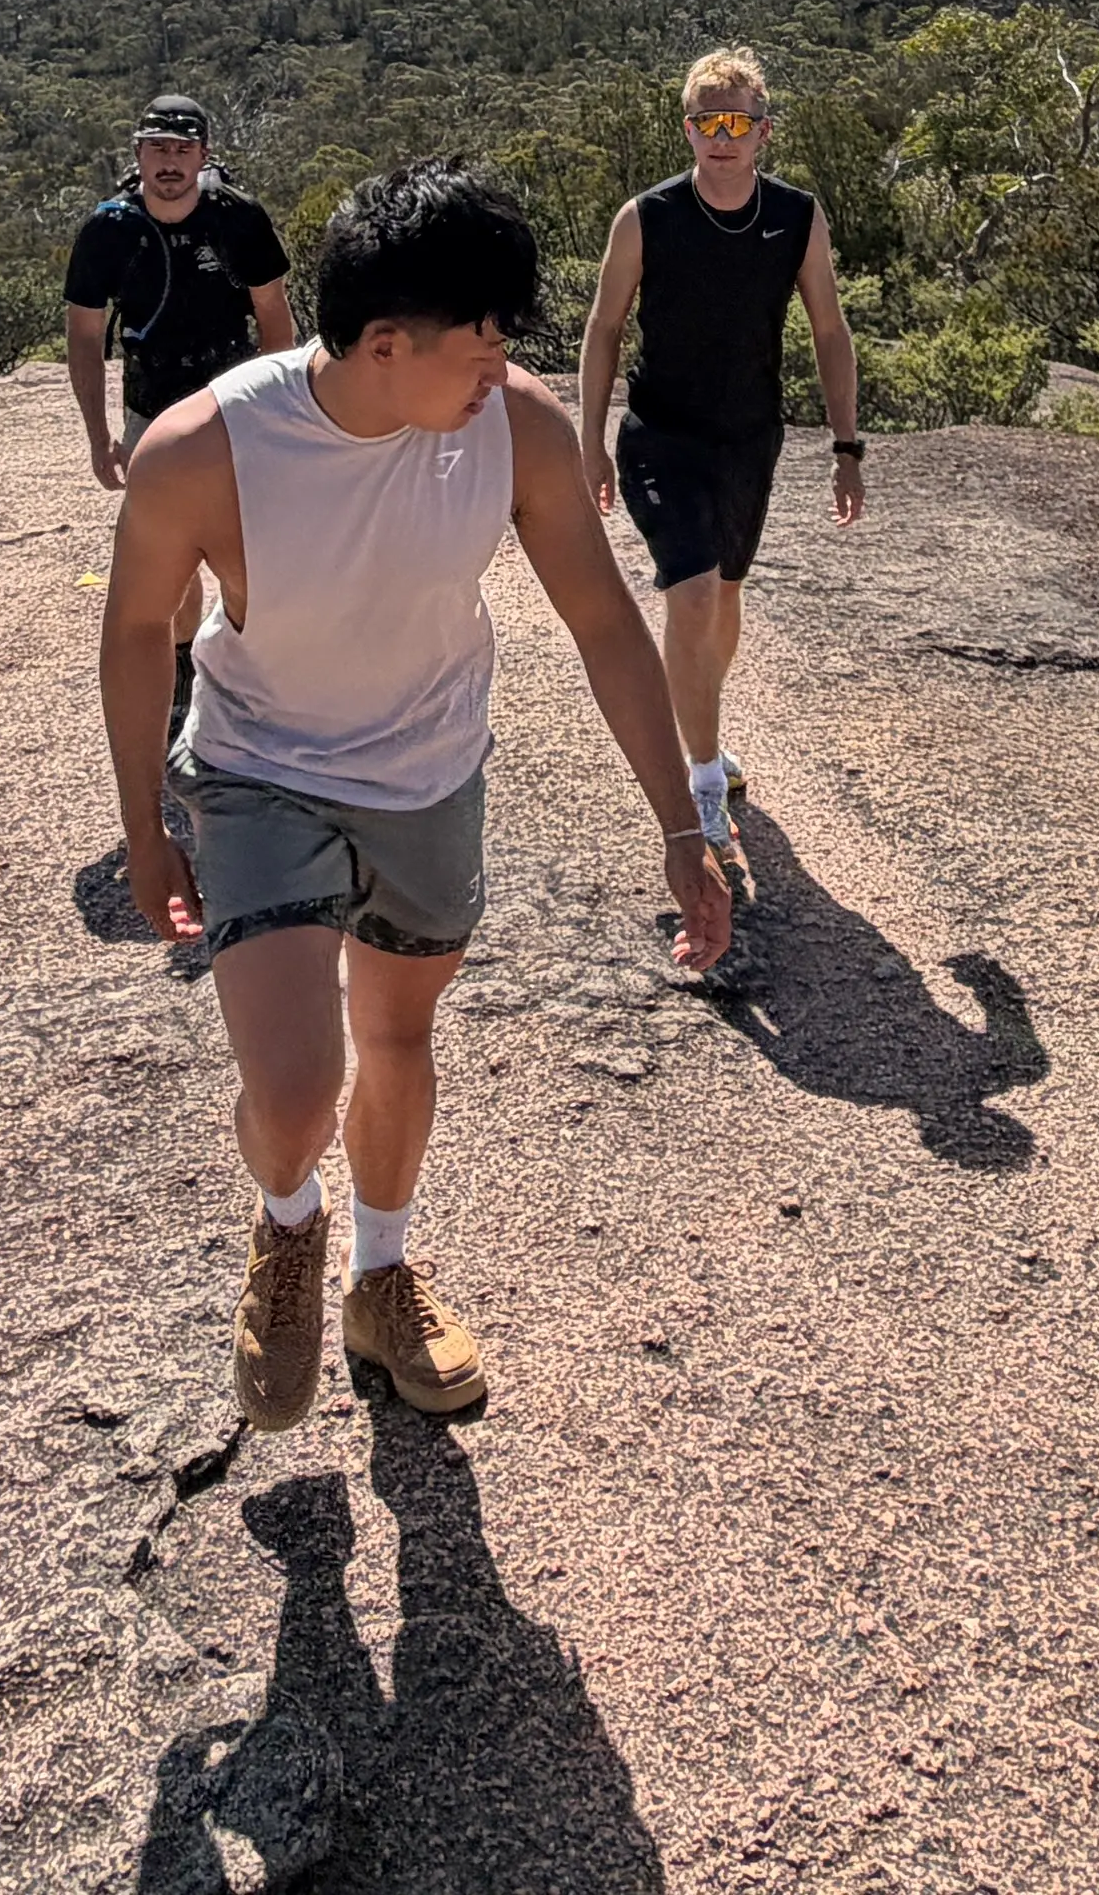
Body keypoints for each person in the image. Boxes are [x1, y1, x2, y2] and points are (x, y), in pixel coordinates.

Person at [103, 161, 733, 1434]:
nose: (502, 360)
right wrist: (142, 830)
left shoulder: (517, 427)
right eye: (484, 335)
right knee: (291, 1092)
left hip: (427, 777)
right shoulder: (205, 452)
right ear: (385, 343)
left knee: (398, 1041)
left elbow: (606, 622)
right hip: (259, 774)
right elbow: (131, 635)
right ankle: (289, 1230)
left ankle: (379, 1277)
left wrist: (684, 826)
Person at [570, 44, 864, 854]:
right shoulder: (647, 217)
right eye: (707, 122)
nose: (722, 137)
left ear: (764, 131)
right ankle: (700, 775)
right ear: (689, 129)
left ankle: (704, 725)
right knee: (693, 593)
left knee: (726, 595)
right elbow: (603, 329)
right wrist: (589, 441)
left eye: (738, 121)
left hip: (748, 437)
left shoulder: (796, 216)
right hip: (660, 436)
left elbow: (830, 330)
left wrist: (847, 445)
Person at [63, 97, 297, 487]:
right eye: (158, 147)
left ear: (203, 155)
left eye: (183, 149)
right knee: (159, 534)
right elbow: (84, 336)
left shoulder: (239, 218)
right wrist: (98, 438)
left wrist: (272, 413)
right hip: (148, 402)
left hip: (231, 399)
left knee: (237, 529)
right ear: (138, 152)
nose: (170, 162)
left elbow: (274, 316)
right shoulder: (108, 230)